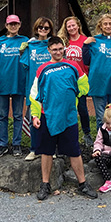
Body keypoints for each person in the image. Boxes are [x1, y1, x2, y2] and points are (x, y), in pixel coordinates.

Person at [29, 36, 98, 201]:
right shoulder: (42, 69)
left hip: (68, 116)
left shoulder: (73, 66)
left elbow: (84, 85)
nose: (58, 52)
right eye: (54, 50)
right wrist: (35, 115)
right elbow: (34, 95)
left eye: (60, 49)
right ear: (49, 51)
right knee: (46, 152)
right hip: (48, 116)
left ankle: (82, 183)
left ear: (64, 48)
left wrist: (72, 96)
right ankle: (45, 184)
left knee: (74, 151)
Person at [0, 14, 29, 158]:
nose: (13, 26)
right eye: (10, 24)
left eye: (16, 24)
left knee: (18, 115)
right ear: (6, 26)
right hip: (2, 83)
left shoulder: (25, 41)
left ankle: (17, 143)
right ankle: (2, 144)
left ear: (19, 25)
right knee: (2, 115)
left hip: (19, 82)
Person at [20, 17, 54, 161]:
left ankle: (50, 149)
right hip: (34, 88)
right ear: (36, 28)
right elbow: (24, 66)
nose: (43, 30)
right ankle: (34, 149)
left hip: (52, 87)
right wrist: (22, 52)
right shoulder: (30, 45)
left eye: (46, 28)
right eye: (40, 27)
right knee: (33, 119)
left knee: (51, 119)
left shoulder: (54, 44)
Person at [58, 15, 92, 145]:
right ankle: (67, 134)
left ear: (78, 26)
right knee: (66, 108)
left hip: (81, 79)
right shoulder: (63, 42)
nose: (71, 28)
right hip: (66, 80)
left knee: (82, 108)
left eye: (73, 25)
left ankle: (87, 133)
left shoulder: (86, 40)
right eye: (69, 26)